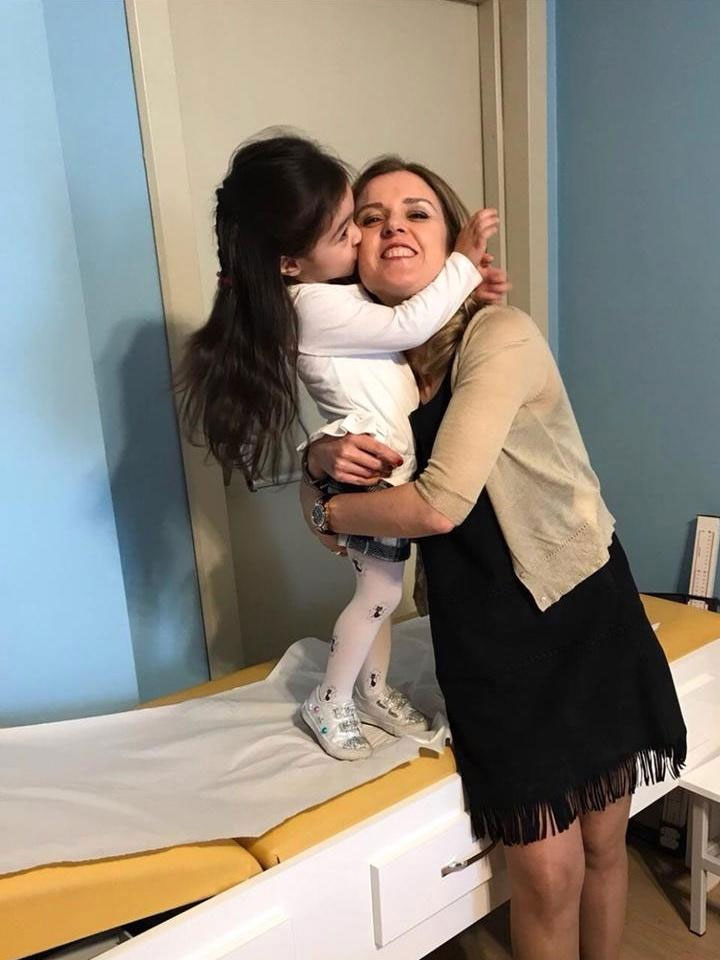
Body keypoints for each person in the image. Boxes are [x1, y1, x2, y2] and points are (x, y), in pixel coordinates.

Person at [301, 155, 687, 960]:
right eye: (369, 217)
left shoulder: (498, 334)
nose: (392, 227)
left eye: (416, 211)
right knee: (545, 875)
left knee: (603, 846)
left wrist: (327, 508)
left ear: (452, 243)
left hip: (578, 606)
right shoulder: (371, 364)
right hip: (485, 631)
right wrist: (316, 463)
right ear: (350, 249)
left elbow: (437, 502)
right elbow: (333, 450)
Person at [175, 132, 502, 762]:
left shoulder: (335, 295)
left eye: (355, 221)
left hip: (381, 471)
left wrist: (471, 289)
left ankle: (371, 690)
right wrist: (462, 262)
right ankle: (331, 698)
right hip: (368, 477)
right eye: (347, 230)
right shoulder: (310, 306)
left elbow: (413, 320)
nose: (359, 239)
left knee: (380, 593)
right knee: (378, 596)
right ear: (289, 265)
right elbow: (409, 323)